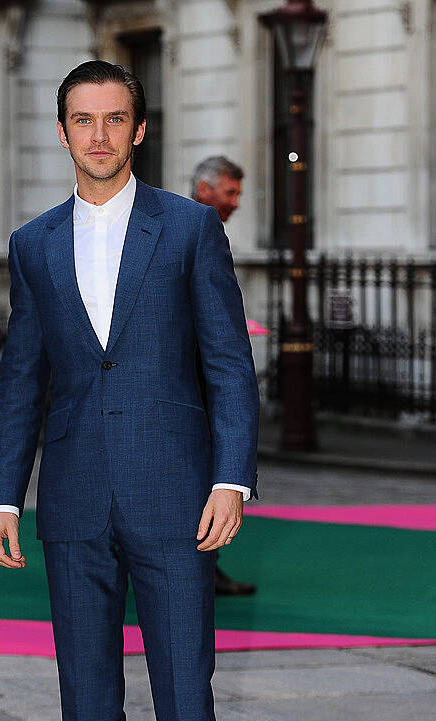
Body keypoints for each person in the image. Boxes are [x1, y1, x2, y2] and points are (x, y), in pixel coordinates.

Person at [0, 61, 259, 721]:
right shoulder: (32, 242)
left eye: (114, 119)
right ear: (61, 131)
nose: (98, 135)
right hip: (71, 501)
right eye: (81, 119)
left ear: (139, 130)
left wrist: (231, 478)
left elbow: (226, 362)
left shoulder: (186, 230)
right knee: (86, 699)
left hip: (175, 500)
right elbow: (24, 375)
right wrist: (2, 493)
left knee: (185, 698)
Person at [191, 156, 256, 598]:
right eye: (229, 192)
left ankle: (207, 564)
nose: (235, 202)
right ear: (204, 189)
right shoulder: (190, 228)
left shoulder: (201, 228)